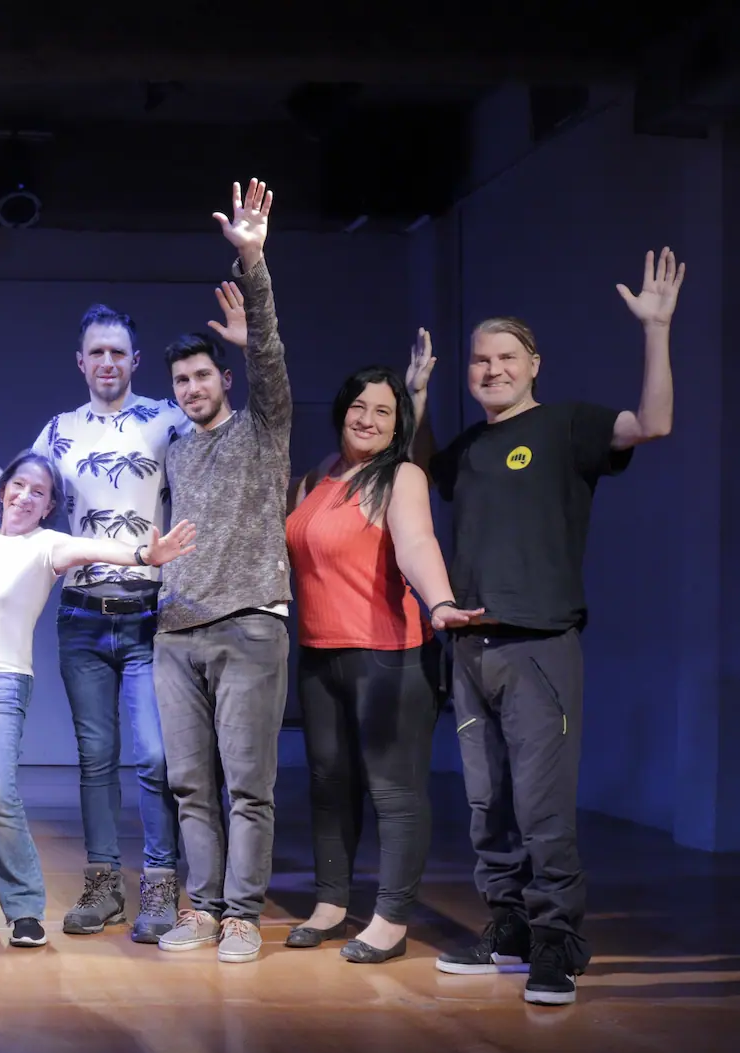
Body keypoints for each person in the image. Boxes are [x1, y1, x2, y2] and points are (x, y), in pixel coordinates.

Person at [431, 249, 684, 1005]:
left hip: (540, 646)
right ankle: (506, 926)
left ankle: (557, 943)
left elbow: (656, 423)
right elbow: (419, 479)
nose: (491, 368)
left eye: (505, 356)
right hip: (472, 645)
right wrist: (414, 397)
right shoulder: (471, 447)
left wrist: (657, 330)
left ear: (533, 363)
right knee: (487, 806)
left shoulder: (568, 425)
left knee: (542, 807)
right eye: (479, 360)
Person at [0, 303, 196, 942]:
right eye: (96, 352)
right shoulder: (61, 430)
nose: (107, 362)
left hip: (148, 616)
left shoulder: (167, 421)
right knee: (96, 759)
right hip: (83, 619)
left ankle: (163, 889)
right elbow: (14, 494)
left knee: (152, 756)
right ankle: (103, 887)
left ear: (134, 362)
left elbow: (213, 478)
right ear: (80, 361)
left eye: (118, 352)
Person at [0, 449, 195, 949]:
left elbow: (99, 550)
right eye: (18, 485)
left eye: (38, 492)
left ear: (48, 505)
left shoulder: (49, 546)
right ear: (2, 492)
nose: (24, 496)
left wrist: (147, 557)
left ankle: (23, 907)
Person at [277, 329, 479, 963]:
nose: (368, 419)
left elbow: (418, 544)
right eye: (359, 407)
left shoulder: (403, 477)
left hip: (388, 654)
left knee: (393, 790)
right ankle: (333, 903)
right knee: (328, 783)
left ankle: (391, 917)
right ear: (343, 411)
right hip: (317, 652)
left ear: (399, 425)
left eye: (384, 411)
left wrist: (441, 600)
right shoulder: (318, 476)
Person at [150, 178, 293, 965]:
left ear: (224, 380)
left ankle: (242, 915)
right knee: (189, 787)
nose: (193, 388)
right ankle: (201, 910)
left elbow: (269, 357)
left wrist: (253, 266)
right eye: (181, 381)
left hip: (248, 626)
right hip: (177, 632)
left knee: (248, 784)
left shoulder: (263, 431)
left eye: (203, 376)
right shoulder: (174, 449)